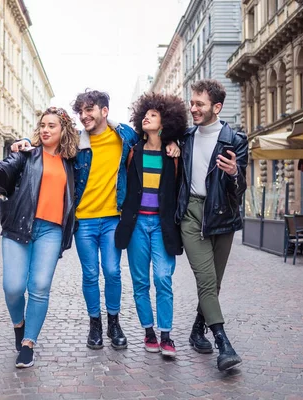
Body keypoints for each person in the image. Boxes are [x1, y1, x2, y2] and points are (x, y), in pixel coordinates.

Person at [12, 89, 180, 351]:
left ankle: (114, 322)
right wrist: (24, 141)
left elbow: (154, 138)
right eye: (81, 111)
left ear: (104, 111)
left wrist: (173, 141)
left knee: (112, 272)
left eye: (89, 109)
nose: (84, 115)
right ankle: (95, 324)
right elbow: (47, 140)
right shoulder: (75, 143)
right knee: (90, 274)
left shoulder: (124, 137)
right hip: (84, 221)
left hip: (113, 217)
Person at [0, 107, 78, 368]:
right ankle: (18, 324)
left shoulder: (73, 161)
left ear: (63, 130)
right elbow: (4, 173)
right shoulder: (27, 154)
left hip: (51, 230)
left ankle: (28, 343)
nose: (45, 129)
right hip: (19, 227)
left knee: (40, 287)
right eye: (43, 125)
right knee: (12, 287)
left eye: (52, 126)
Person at [175, 79, 248, 371]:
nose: (193, 108)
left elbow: (240, 189)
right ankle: (223, 342)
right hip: (191, 213)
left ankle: (197, 328)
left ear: (216, 107)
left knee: (213, 283)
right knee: (205, 279)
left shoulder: (235, 140)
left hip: (222, 216)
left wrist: (234, 173)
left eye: (199, 104)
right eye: (191, 103)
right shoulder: (184, 137)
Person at [115, 93, 186, 357]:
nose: (147, 117)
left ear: (165, 121)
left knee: (163, 278)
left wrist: (176, 143)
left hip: (162, 224)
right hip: (136, 224)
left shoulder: (174, 154)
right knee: (141, 282)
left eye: (154, 115)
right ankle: (149, 331)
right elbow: (114, 128)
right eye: (145, 114)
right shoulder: (133, 151)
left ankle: (166, 335)